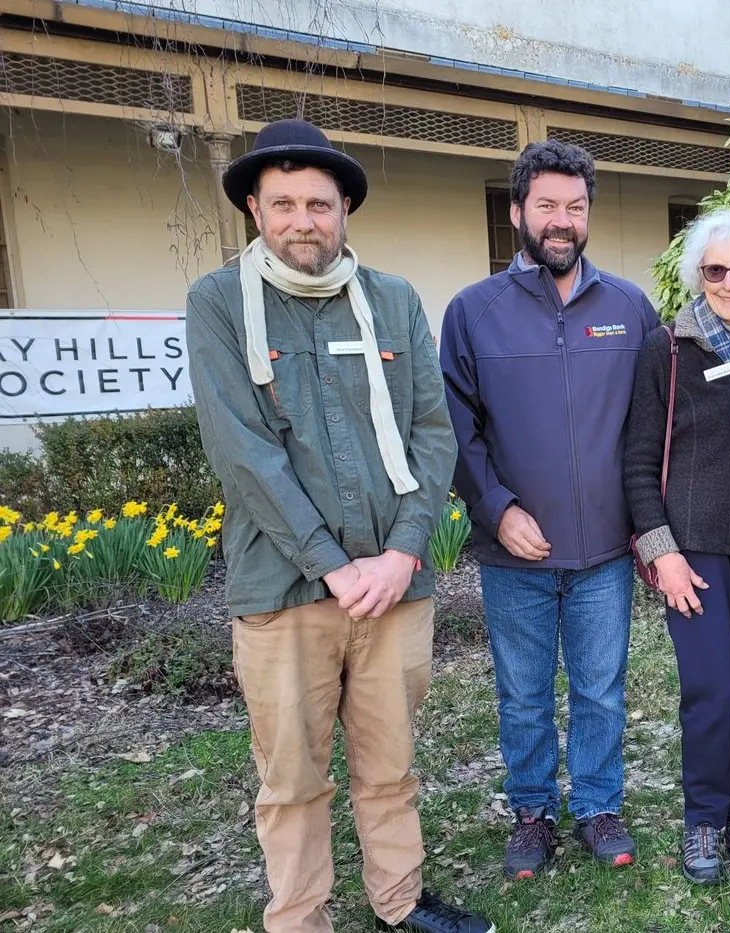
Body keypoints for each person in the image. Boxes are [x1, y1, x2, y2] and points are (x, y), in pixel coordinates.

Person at [186, 119, 491, 933]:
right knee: (291, 778)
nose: (301, 221)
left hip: (395, 583)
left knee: (390, 765)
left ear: (345, 209)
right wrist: (331, 562)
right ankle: (299, 916)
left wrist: (401, 552)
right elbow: (244, 451)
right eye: (282, 203)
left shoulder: (392, 300)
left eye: (318, 204)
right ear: (254, 209)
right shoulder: (218, 303)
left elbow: (433, 430)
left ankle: (399, 901)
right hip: (284, 587)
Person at [439, 140, 659, 880]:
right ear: (516, 213)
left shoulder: (629, 308)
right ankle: (532, 813)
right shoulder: (473, 313)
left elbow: (652, 426)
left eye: (575, 206)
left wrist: (645, 523)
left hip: (603, 552)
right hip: (515, 554)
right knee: (524, 693)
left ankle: (599, 804)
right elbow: (456, 428)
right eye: (546, 206)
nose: (561, 221)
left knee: (601, 687)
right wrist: (496, 509)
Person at [623, 209, 730, 886]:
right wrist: (663, 553)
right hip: (697, 555)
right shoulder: (666, 350)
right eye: (714, 269)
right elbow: (635, 462)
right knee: (713, 689)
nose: (728, 280)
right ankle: (703, 817)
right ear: (697, 274)